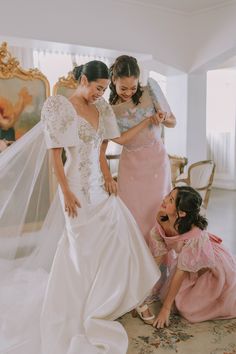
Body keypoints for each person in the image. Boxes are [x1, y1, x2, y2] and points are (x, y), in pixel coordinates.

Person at [0, 60, 160, 354]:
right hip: (74, 186)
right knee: (81, 247)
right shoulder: (60, 106)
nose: (102, 93)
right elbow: (56, 156)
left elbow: (102, 148)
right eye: (98, 88)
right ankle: (80, 303)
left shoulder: (102, 108)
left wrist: (109, 176)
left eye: (104, 89)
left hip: (100, 185)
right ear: (84, 79)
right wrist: (66, 192)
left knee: (117, 234)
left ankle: (112, 298)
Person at [103, 55, 176, 243]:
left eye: (133, 88)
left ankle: (160, 259)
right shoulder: (109, 109)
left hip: (156, 160)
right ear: (113, 81)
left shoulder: (150, 90)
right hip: (131, 164)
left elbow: (172, 122)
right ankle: (136, 261)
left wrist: (163, 116)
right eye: (123, 88)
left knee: (158, 209)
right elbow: (118, 140)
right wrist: (145, 122)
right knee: (131, 211)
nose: (128, 92)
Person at [147, 186, 236, 329]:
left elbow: (180, 271)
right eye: (168, 195)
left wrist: (165, 309)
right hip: (187, 261)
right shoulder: (162, 216)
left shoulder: (194, 236)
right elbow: (159, 254)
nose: (164, 199)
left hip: (208, 266)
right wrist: (145, 283)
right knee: (170, 294)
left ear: (181, 212)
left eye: (170, 200)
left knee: (189, 309)